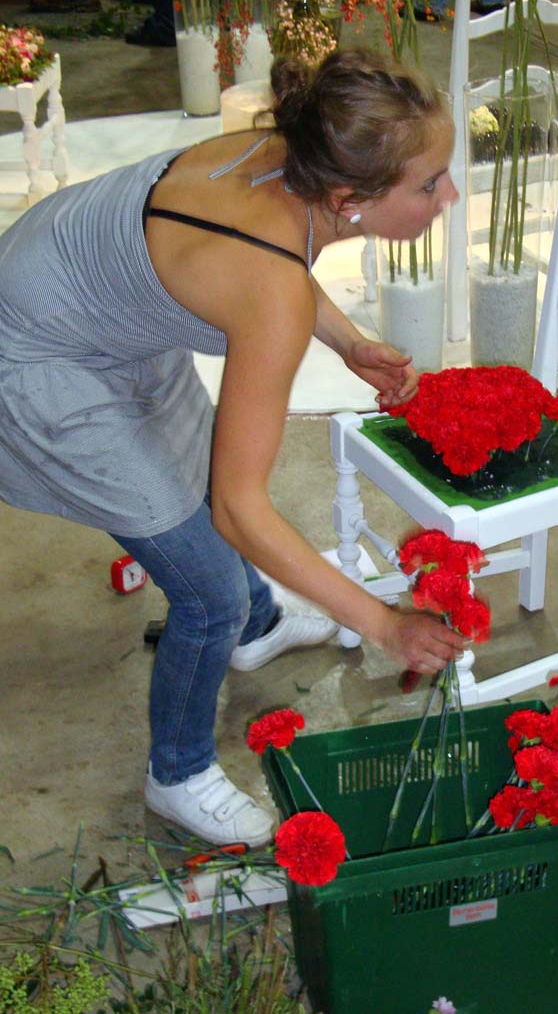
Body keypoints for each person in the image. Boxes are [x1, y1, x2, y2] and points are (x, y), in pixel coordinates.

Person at [0, 48, 464, 847]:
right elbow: (240, 508)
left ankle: (254, 627)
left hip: (91, 294)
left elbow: (280, 253)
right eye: (429, 184)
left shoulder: (294, 158)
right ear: (352, 200)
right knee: (207, 583)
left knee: (193, 468)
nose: (447, 196)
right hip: (39, 351)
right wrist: (383, 624)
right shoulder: (272, 289)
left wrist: (348, 341)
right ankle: (177, 771)